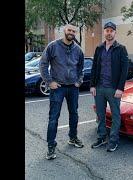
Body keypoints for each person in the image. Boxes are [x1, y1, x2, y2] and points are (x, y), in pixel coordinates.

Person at [40, 24, 85, 160]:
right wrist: (49, 82)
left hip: (73, 87)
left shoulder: (78, 50)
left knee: (74, 114)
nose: (71, 32)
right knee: (54, 117)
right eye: (69, 30)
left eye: (73, 31)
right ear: (64, 31)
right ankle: (51, 146)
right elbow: (43, 64)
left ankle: (73, 138)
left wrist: (79, 81)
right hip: (57, 88)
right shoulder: (53, 46)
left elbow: (81, 68)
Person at [90, 21, 129, 152]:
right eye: (107, 30)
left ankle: (113, 140)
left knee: (116, 116)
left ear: (115, 32)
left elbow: (124, 70)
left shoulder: (121, 48)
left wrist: (120, 88)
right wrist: (92, 85)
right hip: (99, 88)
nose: (109, 33)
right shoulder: (99, 48)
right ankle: (101, 137)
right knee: (100, 115)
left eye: (111, 30)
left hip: (113, 89)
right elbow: (94, 67)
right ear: (104, 32)